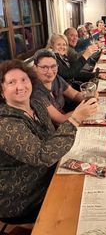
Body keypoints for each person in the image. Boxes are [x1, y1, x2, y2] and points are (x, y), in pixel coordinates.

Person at [0, 59, 97, 223]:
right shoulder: (5, 123)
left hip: (51, 176)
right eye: (11, 82)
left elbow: (51, 139)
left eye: (24, 79)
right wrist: (75, 119)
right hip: (22, 197)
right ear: (2, 92)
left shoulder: (36, 105)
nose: (20, 86)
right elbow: (42, 156)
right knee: (83, 203)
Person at [32, 49, 96, 125]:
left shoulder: (56, 79)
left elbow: (75, 95)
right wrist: (82, 111)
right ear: (35, 68)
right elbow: (61, 119)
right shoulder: (36, 93)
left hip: (70, 120)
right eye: (44, 67)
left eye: (53, 66)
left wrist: (90, 95)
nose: (50, 71)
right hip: (60, 130)